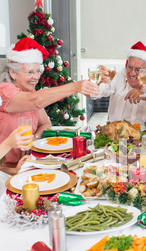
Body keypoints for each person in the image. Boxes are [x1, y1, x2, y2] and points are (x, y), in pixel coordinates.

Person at [0, 37, 99, 176]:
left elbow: (45, 123)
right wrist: (75, 87)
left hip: (26, 165)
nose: (35, 77)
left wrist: (34, 137)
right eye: (29, 72)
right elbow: (36, 101)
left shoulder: (29, 91)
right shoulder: (4, 91)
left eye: (37, 71)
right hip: (6, 173)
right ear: (12, 73)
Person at [93, 41, 146, 130]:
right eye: (129, 67)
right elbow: (95, 94)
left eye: (138, 69)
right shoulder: (119, 76)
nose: (132, 73)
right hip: (116, 134)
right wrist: (97, 82)